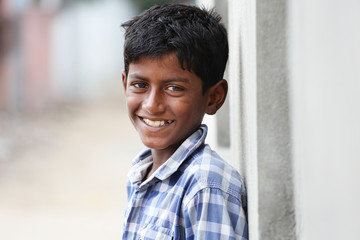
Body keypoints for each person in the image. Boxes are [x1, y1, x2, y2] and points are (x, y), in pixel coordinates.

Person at [121, 4, 248, 240]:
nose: (151, 104)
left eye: (174, 88)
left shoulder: (205, 184)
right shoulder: (143, 174)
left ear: (213, 98)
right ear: (125, 83)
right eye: (140, 85)